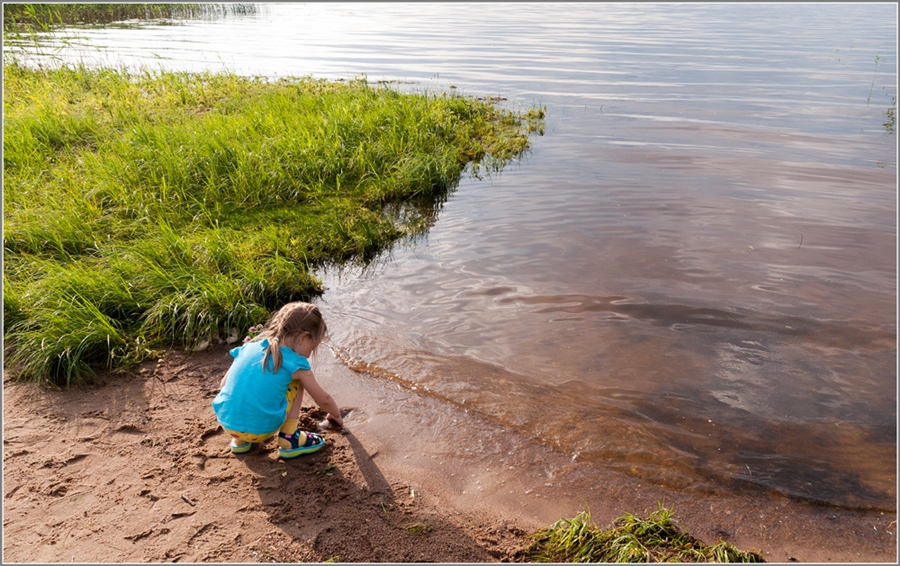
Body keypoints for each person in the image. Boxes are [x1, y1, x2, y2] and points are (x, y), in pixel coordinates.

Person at [212, 302, 343, 459]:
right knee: (297, 381)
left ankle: (240, 442)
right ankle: (290, 438)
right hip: (261, 430)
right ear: (304, 338)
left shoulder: (248, 347)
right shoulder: (295, 364)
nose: (310, 353)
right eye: (313, 346)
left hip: (228, 424)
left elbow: (223, 384)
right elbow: (324, 399)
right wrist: (336, 415)